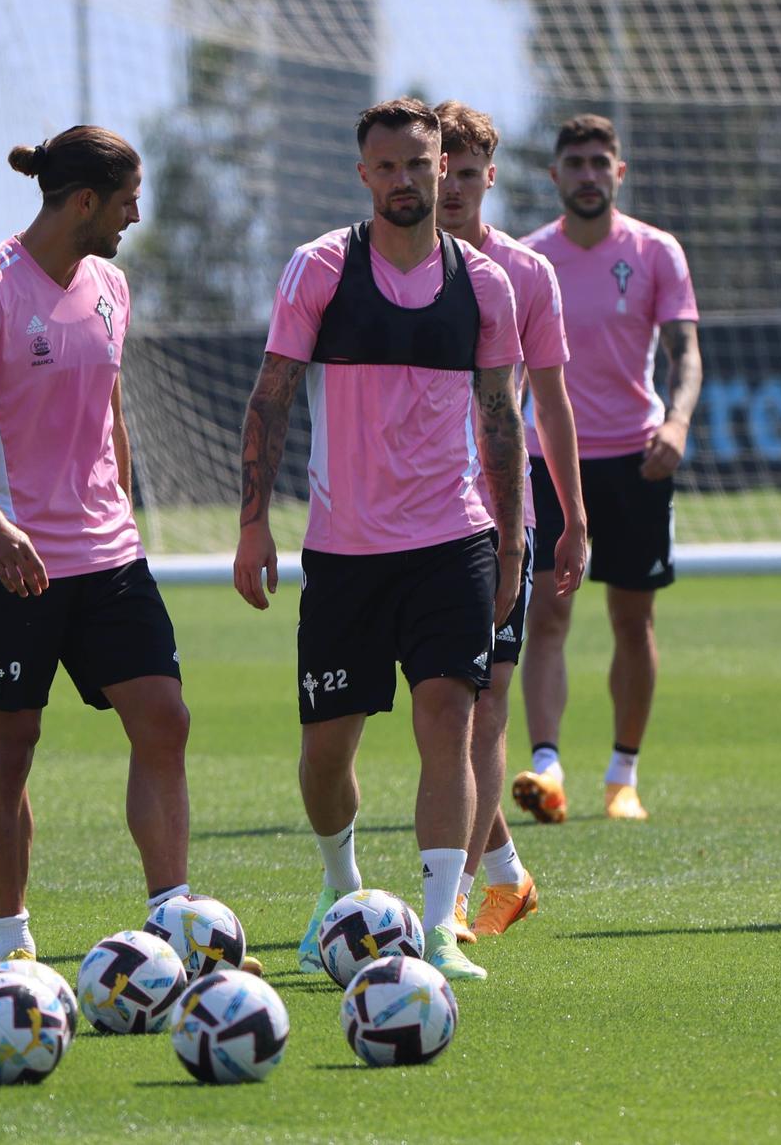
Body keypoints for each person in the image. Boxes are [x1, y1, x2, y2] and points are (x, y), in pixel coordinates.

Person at [234, 97, 525, 982]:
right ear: (364, 175)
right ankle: (341, 885)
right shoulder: (320, 269)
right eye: (387, 167)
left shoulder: (486, 283)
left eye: (420, 164)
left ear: (448, 169)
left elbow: (501, 418)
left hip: (453, 541)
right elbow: (272, 395)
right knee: (329, 748)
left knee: (451, 719)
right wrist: (253, 524)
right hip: (346, 552)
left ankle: (439, 926)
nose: (405, 181)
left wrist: (511, 544)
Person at [0, 127, 225, 967]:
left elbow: (111, 410)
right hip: (9, 565)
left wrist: (122, 507)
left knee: (164, 719)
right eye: (128, 199)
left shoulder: (112, 287)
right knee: (11, 747)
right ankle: (15, 944)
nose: (137, 214)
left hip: (109, 557)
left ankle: (171, 920)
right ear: (85, 201)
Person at [513, 114, 701, 824]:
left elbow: (685, 352)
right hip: (546, 459)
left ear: (619, 173)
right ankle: (547, 767)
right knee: (547, 610)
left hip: (636, 459)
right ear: (555, 176)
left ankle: (623, 774)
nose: (589, 174)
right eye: (576, 163)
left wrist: (677, 422)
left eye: (601, 163)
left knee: (632, 616)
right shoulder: (526, 259)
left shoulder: (656, 252)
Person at [433, 100, 586, 943]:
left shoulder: (527, 273)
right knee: (438, 711)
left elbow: (552, 405)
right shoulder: (393, 263)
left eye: (466, 172)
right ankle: (502, 873)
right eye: (439, 170)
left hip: (495, 509)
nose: (451, 188)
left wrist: (571, 513)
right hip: (405, 512)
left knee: (485, 704)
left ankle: (451, 897)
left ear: (490, 176)